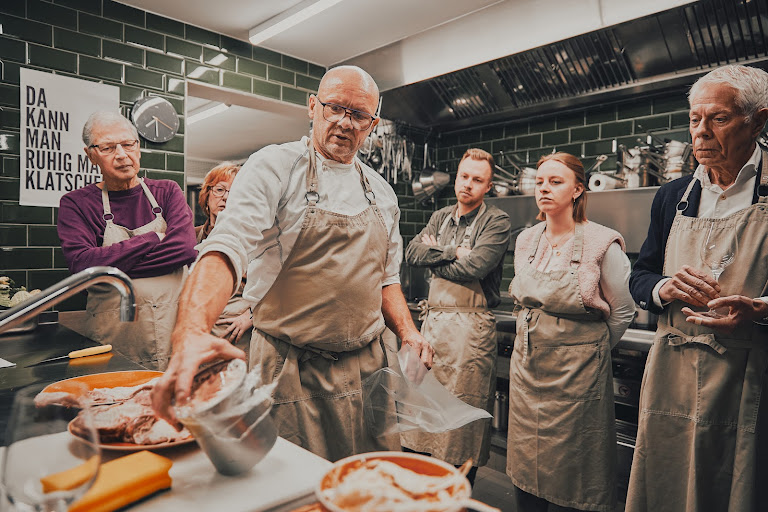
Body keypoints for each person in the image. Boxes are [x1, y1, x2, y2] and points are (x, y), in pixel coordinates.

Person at [151, 65, 434, 462]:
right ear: (312, 106)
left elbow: (386, 280)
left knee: (368, 481)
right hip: (291, 370)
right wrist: (192, 331)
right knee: (297, 490)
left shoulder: (382, 193)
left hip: (368, 367)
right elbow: (227, 247)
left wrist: (408, 332)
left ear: (372, 124)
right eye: (335, 107)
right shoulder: (275, 167)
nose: (344, 122)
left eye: (358, 115)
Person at [626, 65, 768, 512]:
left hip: (747, 374)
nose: (700, 133)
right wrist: (665, 287)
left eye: (718, 119)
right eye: (693, 119)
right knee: (667, 485)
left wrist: (760, 307)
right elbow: (640, 275)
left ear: (758, 120)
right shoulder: (673, 196)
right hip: (673, 371)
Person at [506, 152, 635, 512]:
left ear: (578, 189)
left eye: (556, 181)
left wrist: (588, 350)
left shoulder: (602, 242)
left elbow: (624, 309)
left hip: (577, 377)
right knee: (526, 464)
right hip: (528, 369)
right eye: (540, 182)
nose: (544, 188)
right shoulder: (526, 240)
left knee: (575, 471)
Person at [399, 148, 511, 485]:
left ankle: (455, 496)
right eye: (464, 176)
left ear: (488, 186)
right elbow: (412, 252)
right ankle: (415, 497)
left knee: (459, 423)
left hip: (470, 332)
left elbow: (475, 266)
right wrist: (451, 251)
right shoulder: (439, 217)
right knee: (418, 414)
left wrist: (435, 257)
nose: (468, 185)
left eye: (478, 180)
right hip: (431, 328)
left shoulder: (497, 221)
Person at [57, 110, 197, 370]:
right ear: (91, 155)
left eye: (128, 144)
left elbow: (185, 250)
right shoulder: (75, 203)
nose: (121, 155)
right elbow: (81, 266)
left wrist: (111, 269)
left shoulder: (167, 191)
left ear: (139, 148)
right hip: (115, 336)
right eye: (108, 148)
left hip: (175, 329)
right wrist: (153, 239)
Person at [195, 162, 252, 352]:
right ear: (207, 195)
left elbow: (275, 286)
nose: (226, 197)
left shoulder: (255, 238)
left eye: (234, 192)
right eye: (220, 189)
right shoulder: (192, 236)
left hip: (236, 334)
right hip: (199, 333)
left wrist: (249, 317)